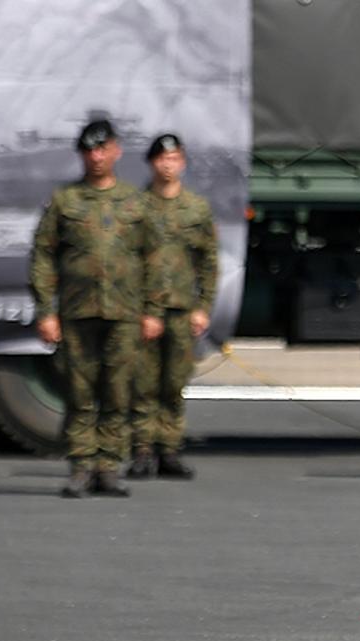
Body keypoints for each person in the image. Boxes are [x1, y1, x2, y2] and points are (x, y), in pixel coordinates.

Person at [30, 119, 162, 499]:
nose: (96, 156)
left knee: (118, 391)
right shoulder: (65, 201)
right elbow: (42, 254)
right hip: (77, 313)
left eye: (103, 149)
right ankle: (81, 466)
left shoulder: (135, 203)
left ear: (116, 150)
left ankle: (109, 467)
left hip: (124, 313)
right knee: (79, 392)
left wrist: (152, 310)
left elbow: (153, 258)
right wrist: (45, 310)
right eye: (89, 150)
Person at [126, 133, 217, 480]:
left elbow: (208, 261)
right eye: (162, 158)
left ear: (183, 163)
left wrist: (203, 306)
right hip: (144, 311)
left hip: (181, 308)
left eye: (175, 158)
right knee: (143, 383)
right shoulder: (136, 208)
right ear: (151, 163)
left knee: (174, 382)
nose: (168, 164)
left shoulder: (196, 209)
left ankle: (170, 449)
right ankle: (143, 450)